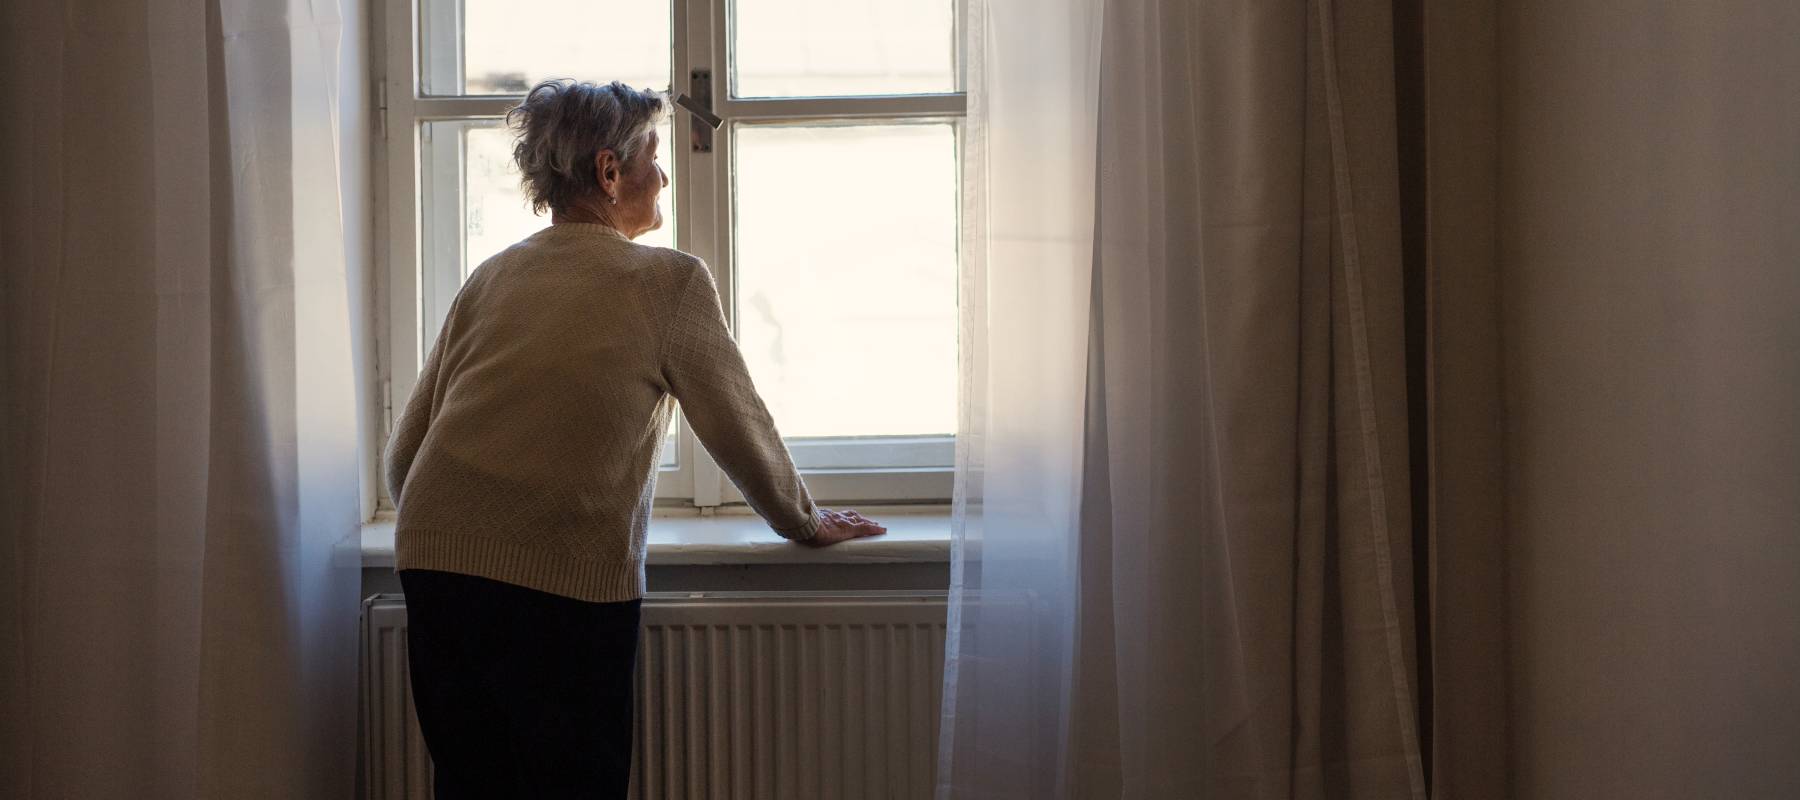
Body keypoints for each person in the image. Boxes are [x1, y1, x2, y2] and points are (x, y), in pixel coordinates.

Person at [383, 78, 886, 799]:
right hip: (559, 572)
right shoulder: (665, 281)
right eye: (654, 155)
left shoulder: (492, 275)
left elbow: (408, 453)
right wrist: (802, 520)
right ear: (609, 172)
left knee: (474, 784)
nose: (667, 174)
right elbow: (736, 419)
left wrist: (454, 529)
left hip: (436, 561)